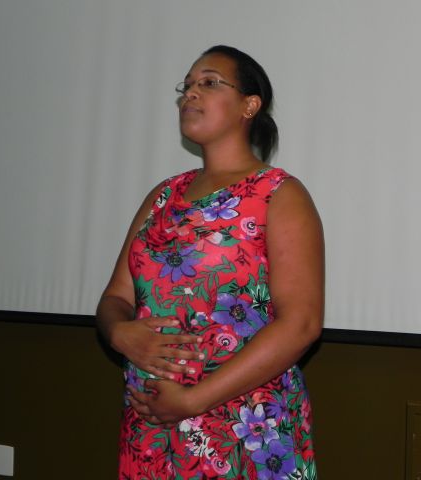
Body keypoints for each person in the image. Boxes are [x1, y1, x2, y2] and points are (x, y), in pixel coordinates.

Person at [96, 45, 324, 479]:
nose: (190, 94)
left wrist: (191, 401)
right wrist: (120, 333)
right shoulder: (162, 197)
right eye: (187, 86)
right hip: (152, 426)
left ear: (249, 106)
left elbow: (302, 324)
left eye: (209, 83)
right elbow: (116, 298)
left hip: (244, 429)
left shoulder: (279, 195)